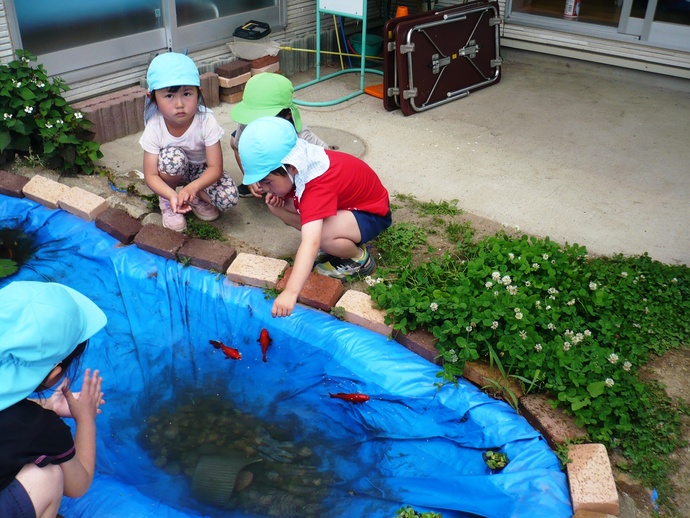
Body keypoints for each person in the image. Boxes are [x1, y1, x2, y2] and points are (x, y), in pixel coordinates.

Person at [238, 117, 392, 318]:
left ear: (291, 167)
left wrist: (291, 292)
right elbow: (291, 190)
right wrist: (280, 195)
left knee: (323, 236)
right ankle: (335, 245)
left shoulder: (316, 185)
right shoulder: (297, 160)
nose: (263, 188)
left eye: (267, 182)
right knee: (277, 206)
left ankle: (358, 259)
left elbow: (310, 242)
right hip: (343, 206)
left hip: (370, 214)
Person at [0, 281, 107, 518]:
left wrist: (48, 404)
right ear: (54, 374)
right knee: (48, 477)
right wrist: (85, 418)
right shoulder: (37, 427)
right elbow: (78, 484)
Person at [140, 52, 239, 232]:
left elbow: (215, 167)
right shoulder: (155, 127)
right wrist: (171, 194)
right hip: (171, 171)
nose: (179, 104)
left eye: (187, 94)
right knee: (172, 159)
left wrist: (194, 187)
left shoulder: (206, 121)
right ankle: (169, 203)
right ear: (152, 98)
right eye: (169, 96)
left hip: (201, 171)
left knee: (229, 198)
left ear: (198, 92)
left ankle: (193, 196)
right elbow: (151, 175)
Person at [229, 72, 328, 198]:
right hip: (265, 158)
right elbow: (238, 148)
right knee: (234, 140)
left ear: (287, 115)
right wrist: (251, 178)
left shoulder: (301, 137)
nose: (256, 124)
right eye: (253, 118)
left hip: (291, 176)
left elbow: (328, 157)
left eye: (264, 118)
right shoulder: (247, 122)